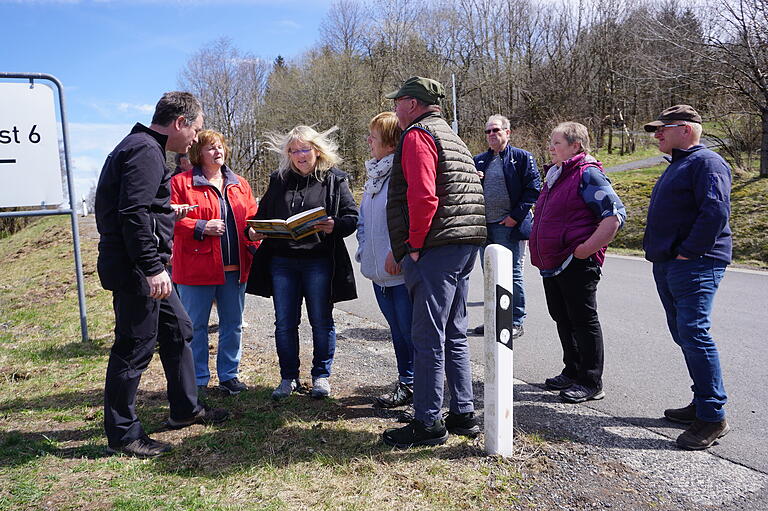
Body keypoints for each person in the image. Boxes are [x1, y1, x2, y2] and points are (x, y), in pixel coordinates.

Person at [95, 92, 228, 458]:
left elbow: (142, 207)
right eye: (195, 129)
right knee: (134, 346)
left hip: (145, 264)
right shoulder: (144, 150)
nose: (195, 139)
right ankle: (123, 434)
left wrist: (167, 210)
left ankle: (185, 409)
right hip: (138, 268)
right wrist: (153, 268)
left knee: (178, 329)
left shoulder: (141, 147)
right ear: (180, 122)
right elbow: (132, 214)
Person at [381, 77, 486, 448]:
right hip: (463, 242)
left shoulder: (417, 135)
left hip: (435, 247)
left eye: (398, 102)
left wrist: (413, 245)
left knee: (427, 336)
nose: (395, 109)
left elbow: (423, 197)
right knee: (454, 331)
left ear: (412, 103)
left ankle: (427, 422)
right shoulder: (452, 136)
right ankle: (462, 412)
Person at [246, 125, 358, 400]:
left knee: (321, 321)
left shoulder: (334, 179)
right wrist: (254, 230)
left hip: (319, 261)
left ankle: (321, 376)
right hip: (282, 262)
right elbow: (261, 216)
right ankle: (288, 377)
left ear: (317, 151)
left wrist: (334, 225)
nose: (300, 155)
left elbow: (351, 217)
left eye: (305, 149)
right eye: (294, 150)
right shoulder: (278, 179)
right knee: (285, 322)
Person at [643, 105, 732, 450]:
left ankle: (712, 417)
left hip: (695, 263)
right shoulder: (679, 164)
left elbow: (715, 211)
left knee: (694, 332)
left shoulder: (707, 162)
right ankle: (702, 402)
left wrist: (689, 251)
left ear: (686, 129)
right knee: (684, 333)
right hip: (670, 263)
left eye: (663, 129)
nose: (657, 134)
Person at [529, 122, 626, 404]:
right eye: (551, 142)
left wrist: (585, 250)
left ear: (576, 146)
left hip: (576, 262)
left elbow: (614, 215)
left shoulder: (588, 174)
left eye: (556, 143)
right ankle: (572, 370)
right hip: (553, 263)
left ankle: (591, 380)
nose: (550, 148)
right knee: (562, 317)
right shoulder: (557, 175)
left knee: (583, 321)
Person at [171, 130, 259, 396]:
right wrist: (200, 226)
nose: (217, 151)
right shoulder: (181, 183)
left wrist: (255, 236)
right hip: (197, 269)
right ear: (198, 153)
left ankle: (229, 376)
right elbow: (168, 219)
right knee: (195, 327)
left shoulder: (240, 183)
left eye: (220, 147)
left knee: (232, 324)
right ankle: (198, 379)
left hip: (236, 269)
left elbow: (253, 216)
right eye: (210, 148)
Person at [355, 112, 414, 410]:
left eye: (374, 137)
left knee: (410, 332)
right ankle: (407, 382)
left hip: (401, 273)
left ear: (391, 143)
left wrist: (400, 251)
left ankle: (419, 387)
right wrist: (364, 249)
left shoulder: (401, 176)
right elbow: (363, 221)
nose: (368, 141)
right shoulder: (374, 176)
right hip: (379, 275)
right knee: (397, 331)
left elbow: (412, 220)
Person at [470, 114, 541, 338]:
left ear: (507, 133)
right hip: (484, 227)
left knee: (512, 274)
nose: (492, 134)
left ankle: (515, 321)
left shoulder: (522, 158)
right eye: (488, 131)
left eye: (496, 130)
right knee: (491, 275)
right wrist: (475, 179)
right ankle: (494, 320)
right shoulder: (479, 160)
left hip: (508, 227)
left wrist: (515, 217)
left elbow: (533, 190)